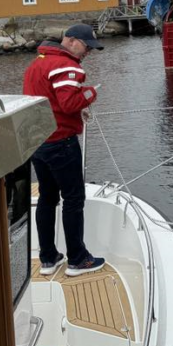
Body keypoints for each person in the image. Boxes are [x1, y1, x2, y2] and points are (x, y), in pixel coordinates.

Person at [23, 23, 106, 277]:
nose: (87, 53)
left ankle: (48, 258)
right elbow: (69, 103)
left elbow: (50, 99)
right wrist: (90, 94)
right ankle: (77, 260)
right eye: (85, 46)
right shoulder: (66, 65)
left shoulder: (38, 62)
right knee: (73, 199)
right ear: (70, 41)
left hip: (38, 141)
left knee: (47, 198)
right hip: (61, 141)